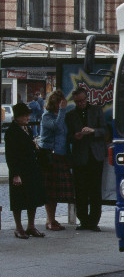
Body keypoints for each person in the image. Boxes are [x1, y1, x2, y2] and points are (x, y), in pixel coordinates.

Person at [66, 87, 108, 231]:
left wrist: (93, 131)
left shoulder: (96, 110)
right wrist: (74, 137)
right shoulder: (70, 115)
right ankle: (83, 220)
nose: (80, 103)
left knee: (95, 190)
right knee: (81, 190)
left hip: (95, 155)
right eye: (77, 101)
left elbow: (104, 130)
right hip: (80, 156)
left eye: (82, 100)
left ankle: (94, 221)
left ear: (87, 98)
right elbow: (68, 136)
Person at [5, 103, 46, 239]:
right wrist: (16, 174)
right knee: (18, 199)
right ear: (17, 117)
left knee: (32, 198)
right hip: (19, 170)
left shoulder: (27, 128)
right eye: (25, 115)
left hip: (31, 168)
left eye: (28, 114)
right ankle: (18, 227)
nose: (28, 117)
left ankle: (31, 226)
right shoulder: (12, 131)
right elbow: (11, 155)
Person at [38, 89, 75, 231]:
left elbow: (65, 134)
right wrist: (62, 111)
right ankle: (50, 220)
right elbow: (57, 126)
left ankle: (52, 219)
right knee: (50, 190)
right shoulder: (47, 116)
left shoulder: (60, 115)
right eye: (58, 102)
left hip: (61, 155)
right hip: (50, 155)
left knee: (57, 191)